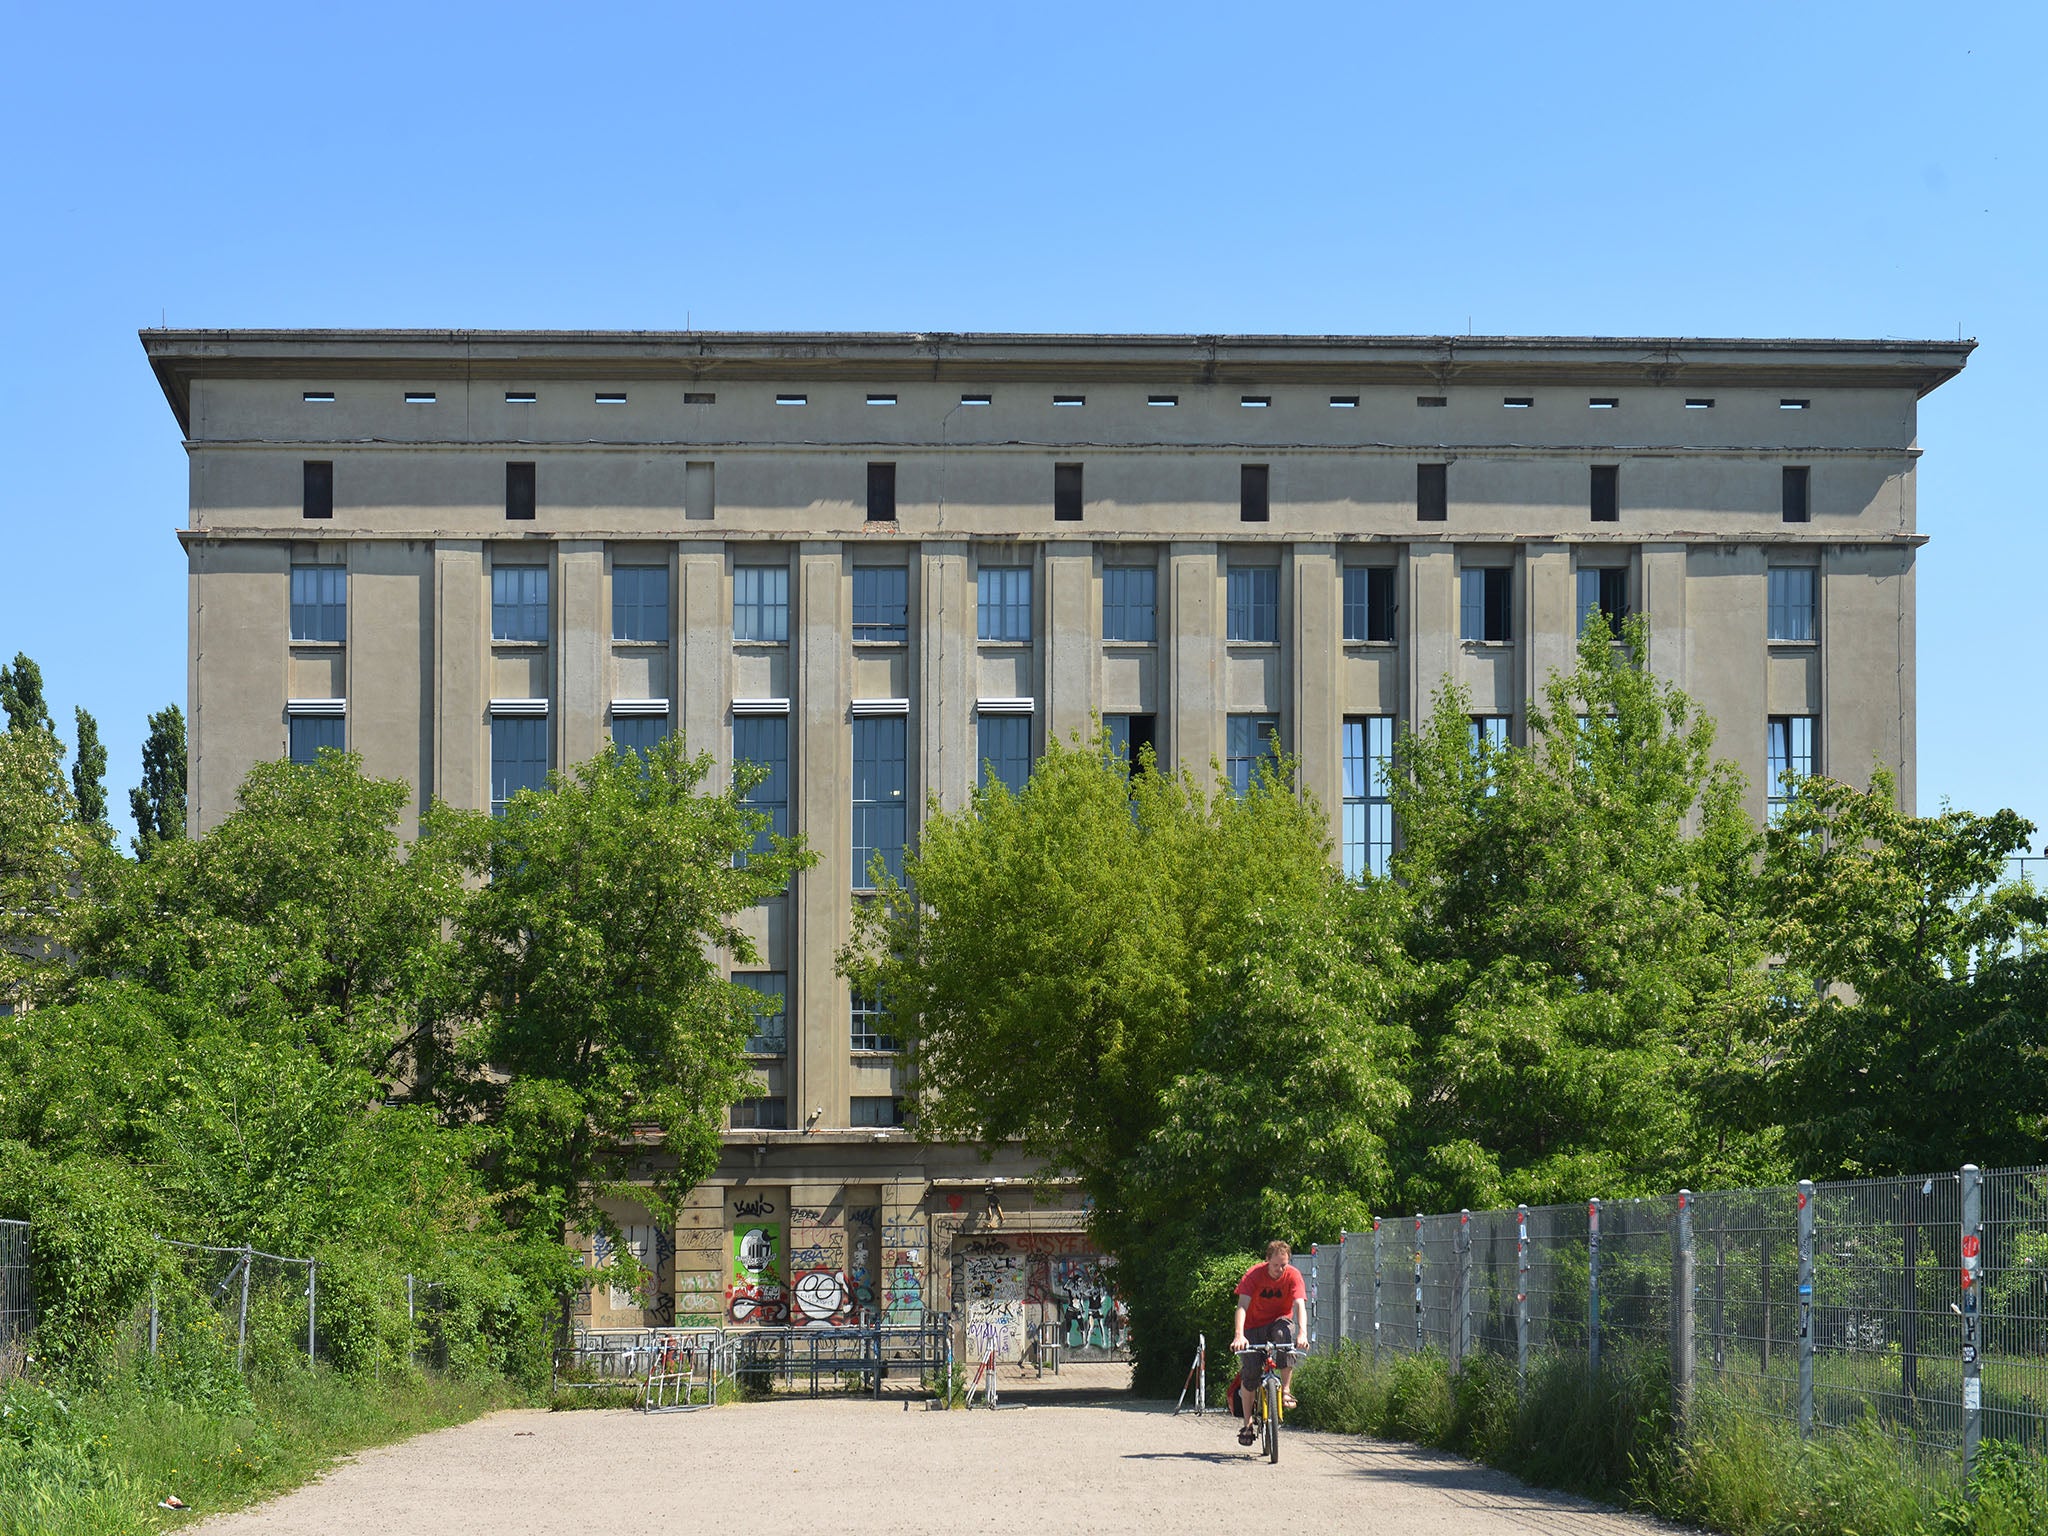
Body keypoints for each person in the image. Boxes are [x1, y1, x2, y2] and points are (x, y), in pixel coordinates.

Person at [1230, 1240, 1307, 1445]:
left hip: (1278, 1321)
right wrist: (1239, 1335)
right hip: (1253, 1327)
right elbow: (1242, 1306)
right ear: (1267, 1260)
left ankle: (1286, 1391)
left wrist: (1303, 1333)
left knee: (1285, 1337)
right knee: (1251, 1373)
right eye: (1276, 1265)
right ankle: (1247, 1425)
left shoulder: (1293, 1275)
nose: (1280, 1269)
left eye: (1284, 1265)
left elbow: (1299, 1304)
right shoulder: (1254, 1275)